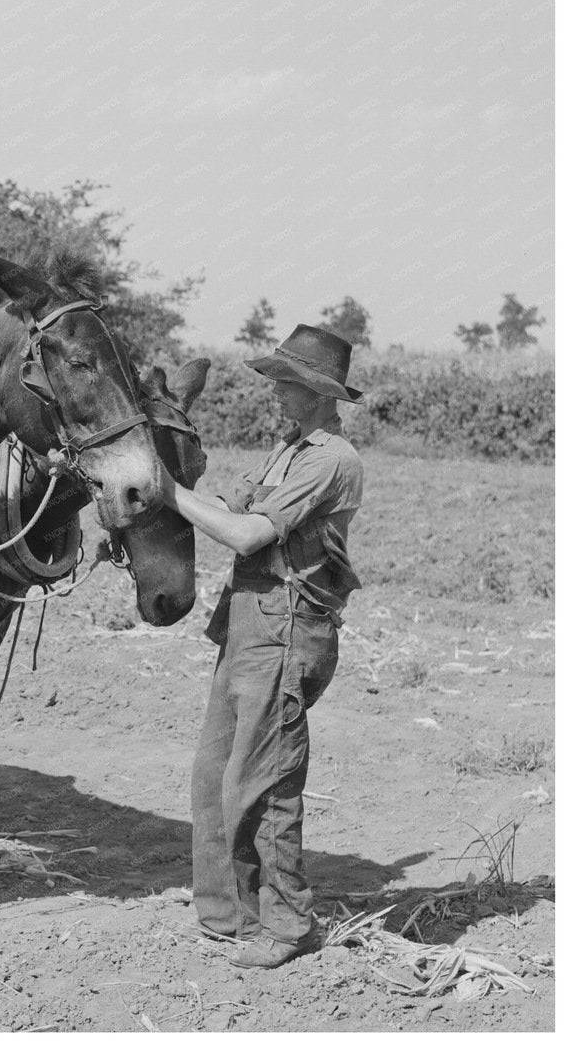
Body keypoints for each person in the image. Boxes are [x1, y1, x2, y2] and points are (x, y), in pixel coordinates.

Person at [162, 324, 364, 969]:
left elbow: (248, 534)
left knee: (265, 781)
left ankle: (287, 923)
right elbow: (227, 502)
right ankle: (226, 912)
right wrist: (155, 486)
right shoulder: (287, 448)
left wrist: (167, 494)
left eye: (284, 382)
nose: (273, 391)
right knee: (215, 774)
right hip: (248, 624)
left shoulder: (330, 458)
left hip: (286, 629)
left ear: (315, 391)